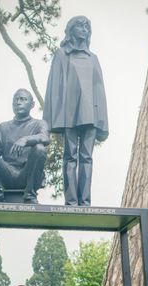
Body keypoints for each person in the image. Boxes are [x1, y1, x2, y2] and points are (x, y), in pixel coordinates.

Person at [43, 15, 109, 206]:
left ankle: (85, 201)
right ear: (71, 30)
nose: (84, 30)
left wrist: (102, 122)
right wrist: (50, 121)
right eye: (80, 26)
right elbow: (54, 88)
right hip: (69, 115)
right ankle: (71, 201)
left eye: (87, 27)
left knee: (87, 157)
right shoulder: (62, 54)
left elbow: (99, 91)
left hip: (91, 116)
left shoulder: (93, 58)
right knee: (70, 155)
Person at [0, 89, 49, 203]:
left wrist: (25, 139)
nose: (18, 102)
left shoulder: (39, 124)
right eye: (15, 100)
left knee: (39, 148)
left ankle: (30, 195)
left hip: (27, 174)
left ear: (32, 104)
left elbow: (45, 138)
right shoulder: (2, 127)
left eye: (23, 99)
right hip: (7, 174)